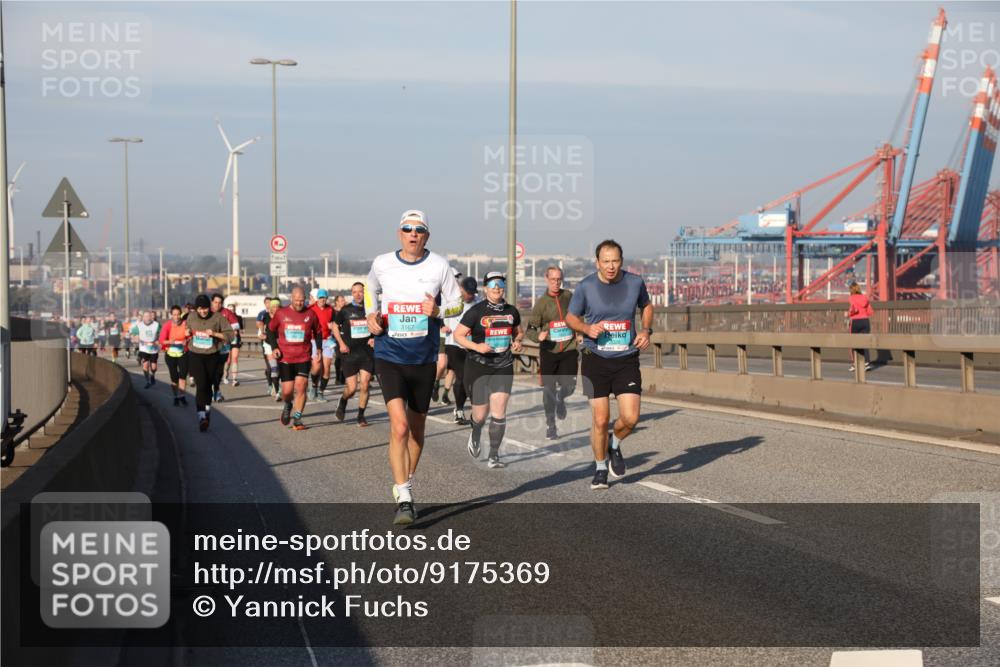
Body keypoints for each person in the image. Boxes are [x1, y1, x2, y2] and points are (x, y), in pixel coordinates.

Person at [365, 209, 463, 525]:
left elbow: (457, 304)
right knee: (400, 426)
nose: (413, 234)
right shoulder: (382, 263)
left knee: (417, 431)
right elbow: (370, 290)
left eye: (419, 229)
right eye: (407, 228)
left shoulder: (440, 266)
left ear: (426, 236)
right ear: (399, 233)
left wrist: (437, 311)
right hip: (389, 355)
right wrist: (371, 317)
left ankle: (403, 480)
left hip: (423, 359)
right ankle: (405, 496)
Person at [565, 239, 653, 491]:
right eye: (606, 261)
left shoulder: (635, 283)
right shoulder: (586, 286)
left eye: (615, 261)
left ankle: (614, 444)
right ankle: (601, 467)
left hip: (626, 358)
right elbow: (571, 317)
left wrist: (646, 330)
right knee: (601, 419)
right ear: (597, 263)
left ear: (621, 262)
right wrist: (586, 328)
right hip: (595, 360)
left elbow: (646, 305)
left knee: (631, 417)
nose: (611, 266)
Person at [453, 272, 524, 469]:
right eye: (492, 284)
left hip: (503, 365)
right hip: (478, 366)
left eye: (500, 283)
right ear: (485, 288)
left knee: (499, 412)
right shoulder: (476, 311)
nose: (496, 287)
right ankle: (475, 432)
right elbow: (458, 335)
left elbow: (519, 332)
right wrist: (477, 347)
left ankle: (494, 455)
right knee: (480, 416)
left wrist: (517, 342)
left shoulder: (511, 311)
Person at [526, 265, 579, 440]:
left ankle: (561, 398)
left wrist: (580, 333)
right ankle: (551, 425)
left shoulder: (568, 296)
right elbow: (530, 329)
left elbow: (578, 316)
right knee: (548, 390)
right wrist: (538, 336)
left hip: (569, 348)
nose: (556, 283)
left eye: (559, 279)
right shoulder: (541, 304)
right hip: (549, 350)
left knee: (570, 386)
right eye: (553, 280)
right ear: (546, 279)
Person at [268, 285, 323, 430]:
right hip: (285, 358)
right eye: (297, 300)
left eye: (302, 300)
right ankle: (288, 404)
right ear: (291, 298)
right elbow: (270, 330)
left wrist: (319, 348)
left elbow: (318, 331)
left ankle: (298, 418)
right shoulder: (281, 313)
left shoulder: (310, 314)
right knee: (287, 391)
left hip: (303, 357)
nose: (299, 303)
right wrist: (274, 347)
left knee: (301, 387)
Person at [186, 294, 234, 431]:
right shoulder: (191, 316)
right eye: (200, 309)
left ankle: (207, 410)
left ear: (209, 307)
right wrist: (187, 332)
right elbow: (187, 330)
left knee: (208, 385)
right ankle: (201, 417)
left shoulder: (218, 318)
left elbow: (230, 335)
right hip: (195, 355)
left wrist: (214, 334)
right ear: (196, 309)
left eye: (205, 309)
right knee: (201, 384)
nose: (203, 312)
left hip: (212, 355)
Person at [332, 282, 375, 426]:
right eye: (355, 292)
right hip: (349, 353)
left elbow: (379, 326)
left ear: (364, 293)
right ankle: (343, 401)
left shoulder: (371, 310)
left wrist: (374, 338)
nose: (358, 294)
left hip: (366, 353)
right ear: (352, 293)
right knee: (351, 388)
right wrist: (341, 344)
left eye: (360, 291)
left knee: (365, 384)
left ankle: (361, 416)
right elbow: (334, 327)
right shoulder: (345, 310)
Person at [444, 276, 480, 424]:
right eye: (468, 292)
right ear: (460, 289)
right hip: (453, 344)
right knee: (462, 376)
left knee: (472, 379)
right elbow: (437, 314)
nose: (470, 296)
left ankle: (474, 410)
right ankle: (459, 410)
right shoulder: (451, 301)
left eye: (473, 293)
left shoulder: (478, 305)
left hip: (471, 346)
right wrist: (441, 325)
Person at [210, 294, 240, 401]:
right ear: (211, 302)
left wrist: (227, 330)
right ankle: (213, 390)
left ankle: (216, 390)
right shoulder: (207, 312)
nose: (217, 305)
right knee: (210, 370)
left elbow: (236, 325)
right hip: (209, 346)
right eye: (215, 302)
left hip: (223, 346)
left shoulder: (226, 312)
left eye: (219, 303)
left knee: (219, 371)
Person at [159, 305, 191, 406]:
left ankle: (182, 396)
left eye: (178, 314)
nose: (176, 317)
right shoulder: (167, 325)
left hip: (183, 354)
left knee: (182, 376)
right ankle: (175, 396)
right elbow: (161, 340)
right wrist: (170, 341)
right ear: (171, 315)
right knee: (174, 378)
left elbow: (190, 336)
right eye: (174, 315)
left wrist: (187, 339)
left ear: (181, 314)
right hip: (171, 355)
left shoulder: (185, 324)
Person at [308, 289, 336, 402]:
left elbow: (335, 324)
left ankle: (321, 392)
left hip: (327, 340)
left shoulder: (331, 310)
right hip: (314, 340)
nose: (322, 300)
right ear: (317, 298)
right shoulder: (311, 309)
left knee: (327, 368)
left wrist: (332, 326)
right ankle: (314, 386)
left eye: (324, 298)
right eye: (320, 297)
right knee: (316, 366)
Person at [256, 296, 282, 398]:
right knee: (273, 368)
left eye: (278, 306)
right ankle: (277, 390)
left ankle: (277, 386)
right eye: (274, 306)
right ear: (270, 308)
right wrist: (262, 334)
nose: (276, 308)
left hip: (280, 344)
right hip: (268, 345)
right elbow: (260, 332)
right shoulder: (265, 316)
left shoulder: (282, 317)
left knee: (280, 369)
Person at [131, 310, 162, 389]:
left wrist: (158, 340)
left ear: (151, 317)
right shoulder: (139, 325)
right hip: (144, 349)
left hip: (153, 349)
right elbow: (132, 334)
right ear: (143, 318)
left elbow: (161, 334)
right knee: (145, 366)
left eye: (148, 316)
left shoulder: (156, 325)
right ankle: (147, 381)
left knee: (153, 367)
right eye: (145, 316)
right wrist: (135, 338)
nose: (147, 318)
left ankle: (152, 375)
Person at [847, 282, 873, 371]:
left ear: (851, 290)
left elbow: (852, 310)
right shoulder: (865, 298)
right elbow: (870, 312)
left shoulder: (851, 298)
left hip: (855, 321)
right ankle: (867, 363)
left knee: (852, 342)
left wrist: (848, 314)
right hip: (865, 321)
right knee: (865, 342)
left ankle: (854, 364)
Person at [332, 294, 347, 385]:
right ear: (336, 302)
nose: (343, 302)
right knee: (338, 358)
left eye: (343, 300)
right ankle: (338, 377)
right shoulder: (333, 312)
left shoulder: (346, 311)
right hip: (336, 338)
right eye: (341, 300)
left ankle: (344, 377)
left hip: (346, 337)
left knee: (346, 358)